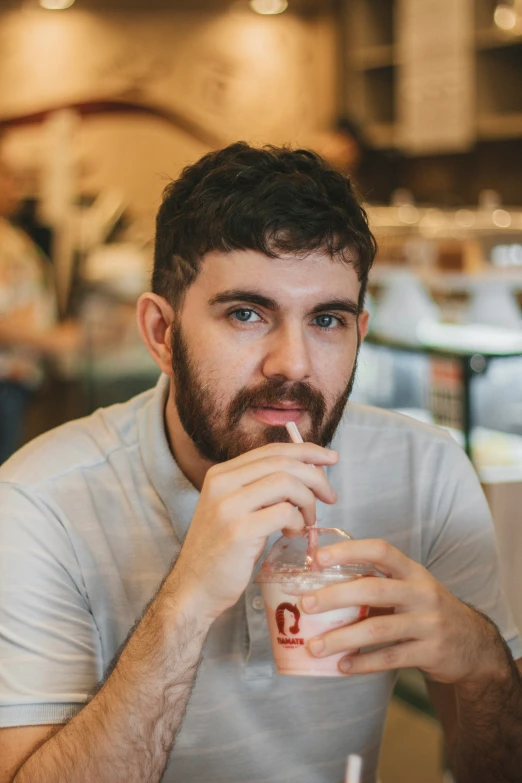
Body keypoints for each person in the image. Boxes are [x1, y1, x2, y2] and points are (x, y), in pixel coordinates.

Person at [0, 143, 521, 783]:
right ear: (162, 333)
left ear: (361, 330)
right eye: (246, 314)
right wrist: (186, 603)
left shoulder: (425, 471)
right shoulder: (38, 501)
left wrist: (483, 664)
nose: (293, 364)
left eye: (326, 319)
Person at [0, 157, 80, 463]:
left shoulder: (10, 234)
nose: (14, 183)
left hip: (16, 383)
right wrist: (54, 340)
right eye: (6, 174)